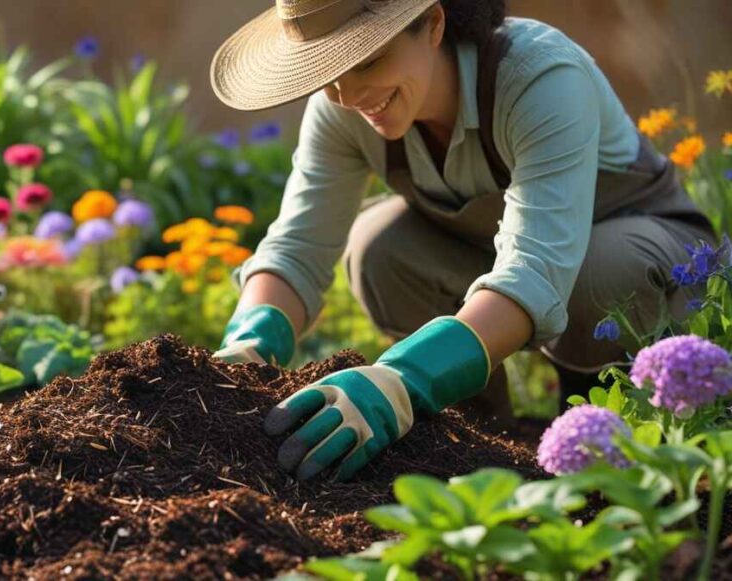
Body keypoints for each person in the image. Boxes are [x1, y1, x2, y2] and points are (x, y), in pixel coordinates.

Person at [209, 0, 714, 481]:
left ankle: (608, 416)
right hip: (503, 258)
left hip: (643, 255)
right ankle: (479, 439)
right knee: (379, 248)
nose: (347, 93)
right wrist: (248, 345)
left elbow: (536, 269)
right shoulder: (343, 108)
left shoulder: (540, 76)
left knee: (597, 273)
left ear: (432, 24)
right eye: (327, 69)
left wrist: (403, 379)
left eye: (366, 57)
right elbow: (297, 247)